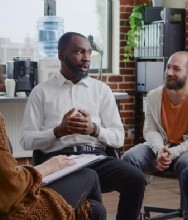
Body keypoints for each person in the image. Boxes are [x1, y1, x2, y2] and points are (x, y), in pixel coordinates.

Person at [0, 23, 106, 220]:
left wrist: (34, 169)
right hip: (6, 210)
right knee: (90, 176)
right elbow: (11, 185)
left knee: (95, 211)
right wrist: (47, 167)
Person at [20, 31, 146, 220]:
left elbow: (119, 137)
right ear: (61, 55)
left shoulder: (101, 90)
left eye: (88, 52)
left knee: (136, 179)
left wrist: (94, 129)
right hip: (59, 161)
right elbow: (26, 140)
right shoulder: (41, 92)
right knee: (94, 209)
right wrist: (57, 131)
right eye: (79, 52)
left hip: (95, 159)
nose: (87, 58)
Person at [122, 51, 188, 217]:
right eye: (168, 67)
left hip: (184, 151)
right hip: (161, 147)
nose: (169, 72)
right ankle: (130, 215)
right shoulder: (154, 95)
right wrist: (160, 151)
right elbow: (150, 130)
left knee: (186, 165)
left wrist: (171, 153)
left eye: (177, 69)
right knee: (130, 158)